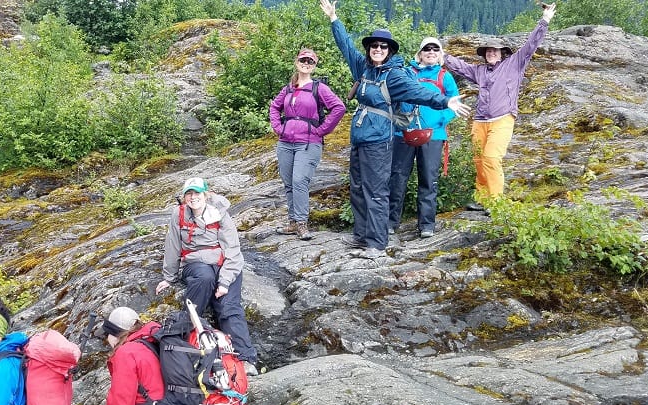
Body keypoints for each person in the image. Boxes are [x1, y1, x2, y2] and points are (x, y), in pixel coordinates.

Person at [320, 0, 471, 259]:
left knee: (376, 190)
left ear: (389, 51)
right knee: (357, 187)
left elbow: (419, 93)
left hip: (380, 139)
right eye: (374, 45)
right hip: (360, 138)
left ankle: (377, 243)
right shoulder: (364, 68)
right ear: (369, 49)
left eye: (383, 46)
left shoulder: (395, 75)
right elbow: (345, 46)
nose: (378, 49)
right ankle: (362, 235)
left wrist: (445, 101)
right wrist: (334, 19)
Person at [443, 3, 556, 209]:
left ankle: (496, 203)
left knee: (491, 157)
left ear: (502, 52)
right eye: (488, 51)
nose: (491, 53)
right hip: (479, 121)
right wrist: (441, 56)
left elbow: (531, 44)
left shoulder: (514, 64)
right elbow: (460, 66)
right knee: (478, 160)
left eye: (494, 50)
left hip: (503, 118)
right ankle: (482, 199)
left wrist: (545, 19)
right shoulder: (479, 71)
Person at [155, 177, 260, 375]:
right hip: (195, 264)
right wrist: (168, 277)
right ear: (184, 196)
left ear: (206, 194)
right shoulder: (178, 215)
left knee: (229, 308)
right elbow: (173, 246)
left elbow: (233, 252)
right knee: (203, 278)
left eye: (197, 193)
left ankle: (245, 359)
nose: (193, 197)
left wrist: (225, 282)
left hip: (224, 264)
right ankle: (187, 328)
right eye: (189, 193)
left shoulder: (220, 214)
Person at [269, 48, 346, 240]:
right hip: (285, 143)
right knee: (289, 183)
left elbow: (339, 107)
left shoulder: (318, 88)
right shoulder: (288, 88)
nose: (306, 63)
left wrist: (321, 130)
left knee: (299, 181)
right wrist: (278, 128)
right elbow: (274, 107)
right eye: (303, 60)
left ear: (314, 66)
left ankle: (302, 223)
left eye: (310, 61)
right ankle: (293, 222)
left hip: (309, 143)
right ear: (297, 62)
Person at [388, 37, 461, 239]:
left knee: (429, 180)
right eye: (426, 49)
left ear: (440, 55)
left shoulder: (445, 76)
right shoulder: (406, 73)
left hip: (433, 134)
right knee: (397, 178)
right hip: (402, 132)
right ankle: (390, 222)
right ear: (419, 54)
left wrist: (441, 120)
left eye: (435, 49)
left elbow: (455, 102)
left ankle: (426, 225)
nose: (430, 52)